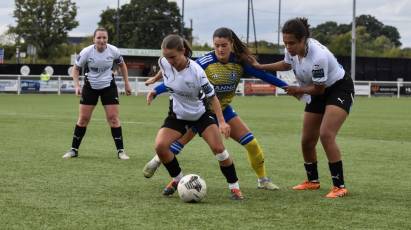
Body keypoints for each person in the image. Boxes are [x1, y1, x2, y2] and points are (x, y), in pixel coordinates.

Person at [143, 27, 288, 191]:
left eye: (224, 45)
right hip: (202, 111)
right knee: (177, 145)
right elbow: (178, 78)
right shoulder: (204, 63)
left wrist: (288, 88)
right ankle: (173, 178)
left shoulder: (239, 61)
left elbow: (264, 76)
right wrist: (156, 90)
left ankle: (263, 180)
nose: (220, 49)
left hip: (224, 110)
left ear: (231, 44)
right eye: (217, 45)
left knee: (252, 144)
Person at [250, 18, 354, 198]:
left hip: (339, 88)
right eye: (285, 43)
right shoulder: (291, 49)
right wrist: (261, 67)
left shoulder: (318, 57)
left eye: (292, 43)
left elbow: (319, 89)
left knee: (326, 134)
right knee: (307, 140)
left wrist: (297, 89)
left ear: (303, 39)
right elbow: (286, 64)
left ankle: (339, 186)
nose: (288, 47)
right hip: (317, 90)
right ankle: (312, 181)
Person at [148, 34, 244, 200]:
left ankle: (234, 187)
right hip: (177, 115)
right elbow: (164, 71)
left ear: (183, 51)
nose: (169, 61)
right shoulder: (164, 62)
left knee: (219, 150)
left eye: (173, 57)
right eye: (166, 57)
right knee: (160, 147)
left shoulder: (197, 72)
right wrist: (155, 87)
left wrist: (222, 122)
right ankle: (178, 180)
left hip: (201, 115)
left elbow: (213, 97)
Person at [62, 27, 132, 160]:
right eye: (99, 37)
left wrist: (127, 83)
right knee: (83, 119)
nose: (102, 40)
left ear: (107, 39)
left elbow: (122, 65)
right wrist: (77, 86)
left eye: (104, 37)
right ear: (94, 39)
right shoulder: (87, 52)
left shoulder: (114, 51)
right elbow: (76, 69)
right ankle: (73, 150)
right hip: (90, 87)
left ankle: (121, 151)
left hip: (108, 87)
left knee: (113, 118)